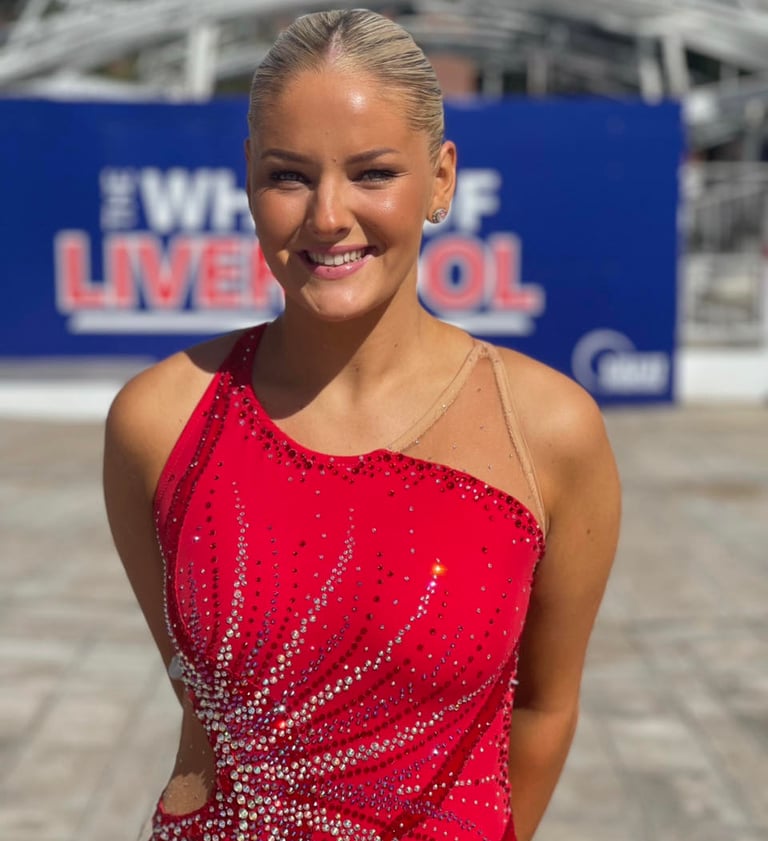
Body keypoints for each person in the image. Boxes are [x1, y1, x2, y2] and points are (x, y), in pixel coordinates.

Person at [103, 9, 620, 841]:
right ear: (247, 179)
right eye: (289, 176)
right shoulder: (158, 422)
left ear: (441, 179)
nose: (329, 215)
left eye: (373, 173)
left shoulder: (551, 430)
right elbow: (203, 707)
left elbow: (546, 705)